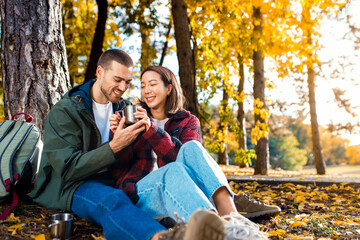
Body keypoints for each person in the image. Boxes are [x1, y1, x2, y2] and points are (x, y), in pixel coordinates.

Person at [29, 49, 228, 240]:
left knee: (169, 173)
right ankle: (162, 237)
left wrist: (126, 140)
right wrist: (115, 145)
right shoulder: (67, 111)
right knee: (112, 200)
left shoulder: (125, 109)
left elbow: (136, 160)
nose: (123, 88)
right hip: (74, 185)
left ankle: (218, 229)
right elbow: (68, 169)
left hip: (115, 180)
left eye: (127, 82)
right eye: (117, 80)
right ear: (99, 72)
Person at [109, 66, 271, 240]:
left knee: (191, 147)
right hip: (143, 195)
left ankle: (232, 218)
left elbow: (182, 160)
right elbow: (119, 169)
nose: (146, 90)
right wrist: (116, 137)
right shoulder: (131, 118)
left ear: (169, 88)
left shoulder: (188, 121)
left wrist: (152, 130)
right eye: (142, 85)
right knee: (172, 171)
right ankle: (219, 228)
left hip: (185, 194)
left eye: (152, 84)